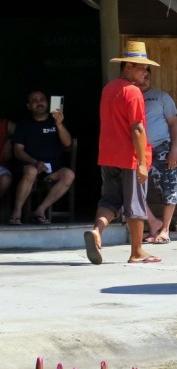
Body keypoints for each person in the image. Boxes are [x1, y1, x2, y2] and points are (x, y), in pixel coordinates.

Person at [83, 41, 160, 265]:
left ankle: (97, 232)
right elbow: (137, 128)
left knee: (109, 200)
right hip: (130, 157)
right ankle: (136, 252)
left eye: (146, 68)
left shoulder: (109, 88)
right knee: (135, 204)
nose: (145, 72)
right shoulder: (133, 92)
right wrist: (143, 163)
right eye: (140, 67)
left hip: (108, 155)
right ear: (127, 67)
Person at [8, 91, 74, 225]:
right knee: (31, 171)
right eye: (34, 100)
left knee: (69, 174)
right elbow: (17, 150)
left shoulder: (55, 121)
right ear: (29, 106)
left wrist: (59, 124)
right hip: (31, 166)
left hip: (53, 169)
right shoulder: (23, 124)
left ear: (47, 103)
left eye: (42, 99)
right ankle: (17, 212)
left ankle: (40, 211)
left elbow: (68, 143)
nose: (39, 102)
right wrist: (35, 162)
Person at [136, 68, 177, 244]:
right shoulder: (130, 95)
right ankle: (154, 223)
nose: (144, 79)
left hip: (162, 148)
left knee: (169, 188)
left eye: (148, 76)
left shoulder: (161, 97)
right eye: (142, 76)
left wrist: (174, 149)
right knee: (134, 190)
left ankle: (165, 230)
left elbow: (174, 125)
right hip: (138, 150)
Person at [0, 118, 16, 204]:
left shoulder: (5, 124)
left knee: (5, 179)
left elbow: (23, 132)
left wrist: (10, 141)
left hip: (1, 167)